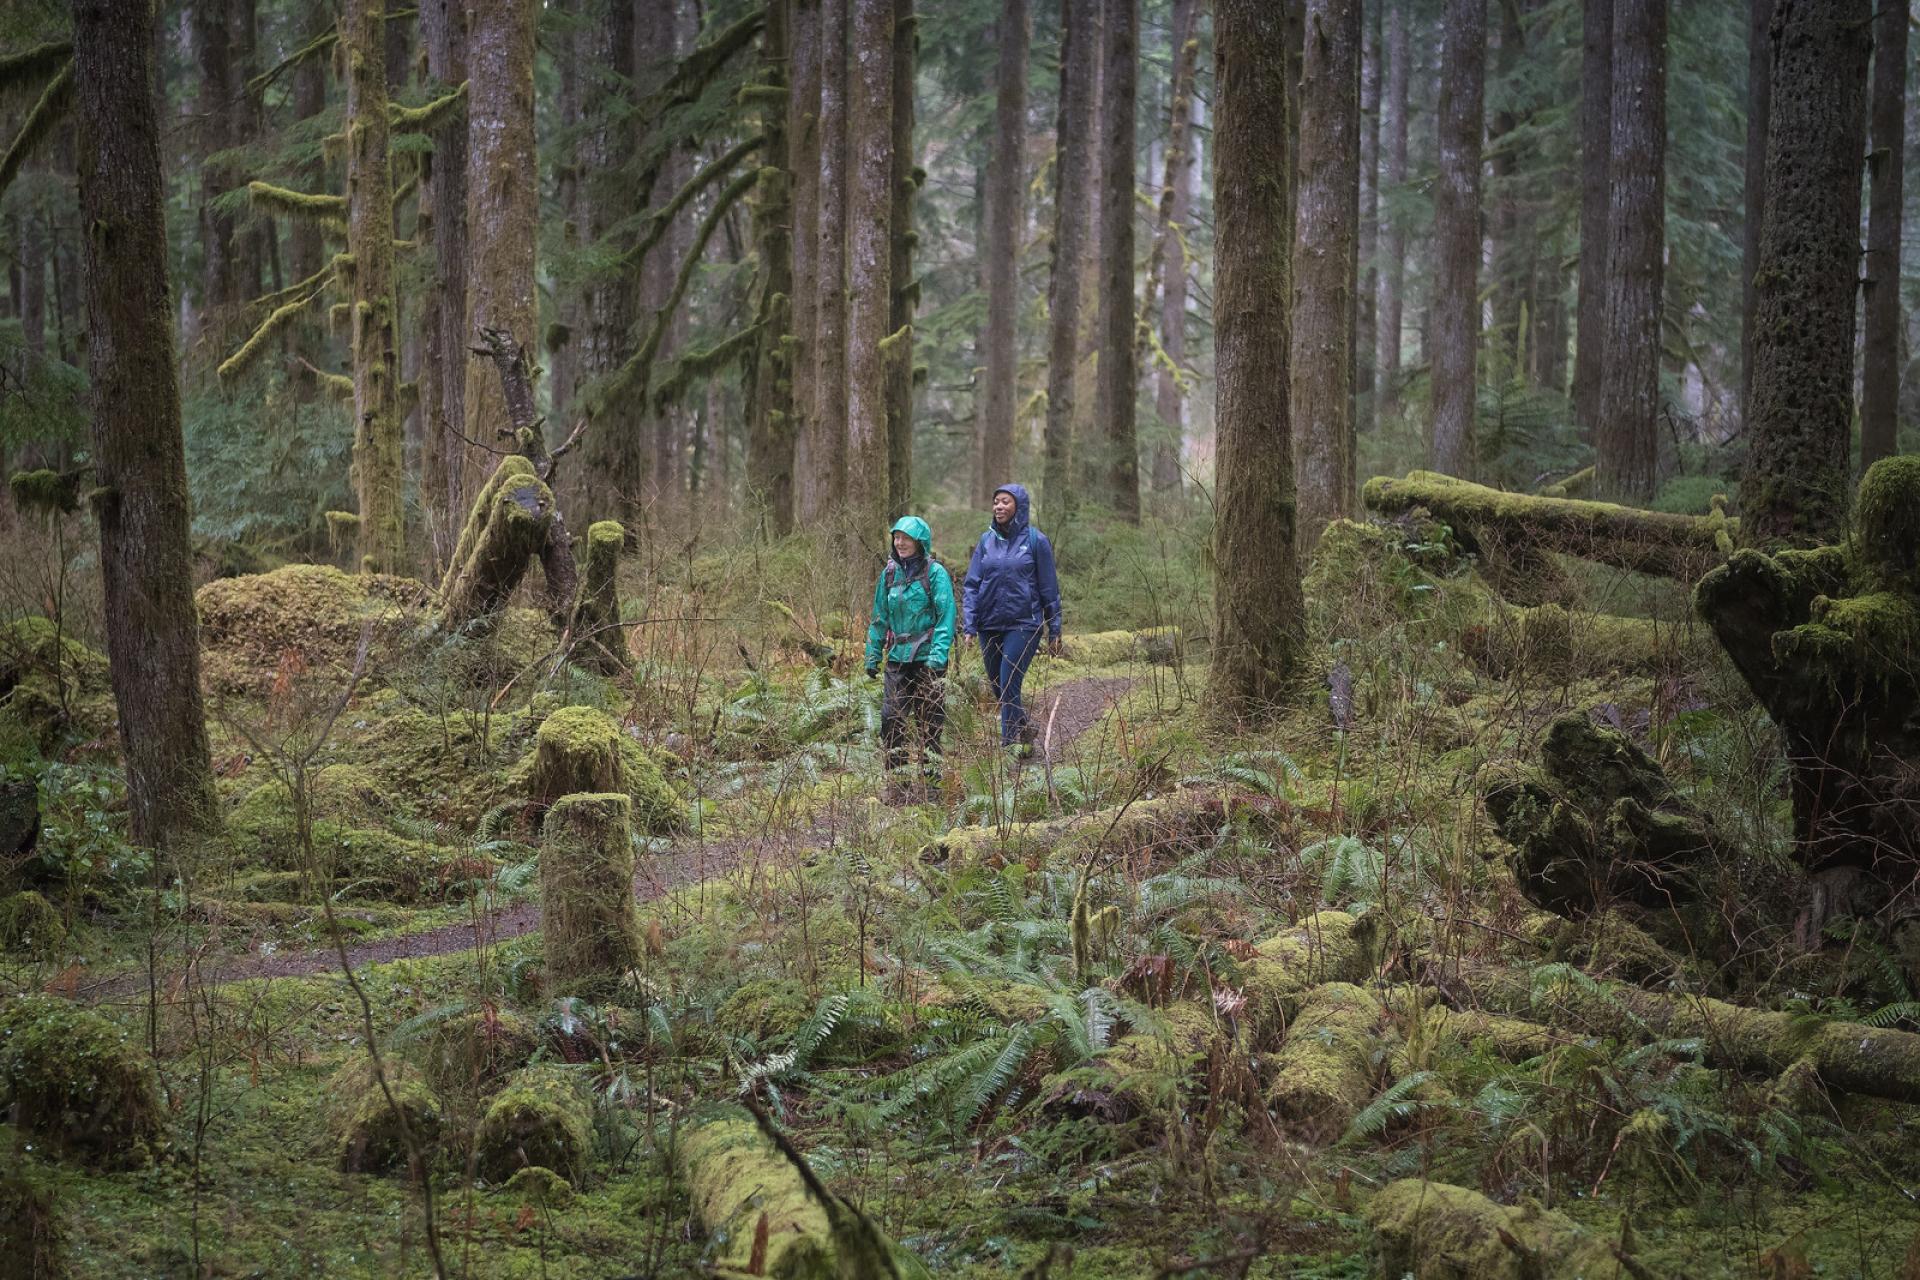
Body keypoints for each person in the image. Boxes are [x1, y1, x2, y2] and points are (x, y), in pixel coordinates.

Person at [961, 483, 1063, 752]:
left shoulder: (1035, 541)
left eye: (1005, 502)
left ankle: (1008, 749)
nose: (999, 507)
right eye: (996, 502)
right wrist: (970, 624)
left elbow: (1049, 587)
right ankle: (1025, 726)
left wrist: (1055, 629)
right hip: (989, 623)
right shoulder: (986, 541)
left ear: (1019, 506)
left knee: (1008, 683)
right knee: (997, 683)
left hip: (1024, 624)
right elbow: (972, 584)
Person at [864, 515, 957, 790]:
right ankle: (899, 784)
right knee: (891, 720)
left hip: (928, 658)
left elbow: (945, 617)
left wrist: (937, 657)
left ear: (920, 541)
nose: (900, 542)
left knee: (930, 725)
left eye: (906, 537)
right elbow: (879, 617)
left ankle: (932, 786)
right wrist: (873, 654)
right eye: (897, 537)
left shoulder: (935, 573)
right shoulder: (889, 574)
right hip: (897, 659)